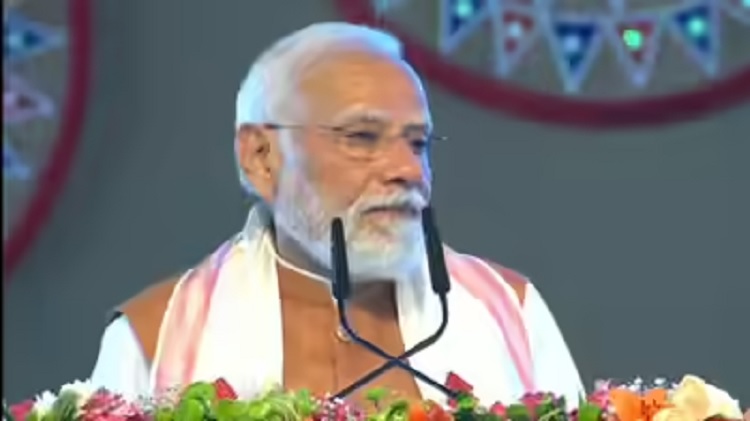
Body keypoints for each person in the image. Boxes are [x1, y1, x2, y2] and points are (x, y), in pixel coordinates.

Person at [90, 22, 584, 410]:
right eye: (362, 138)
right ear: (261, 156)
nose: (409, 171)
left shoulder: (511, 316)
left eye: (418, 143)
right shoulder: (152, 339)